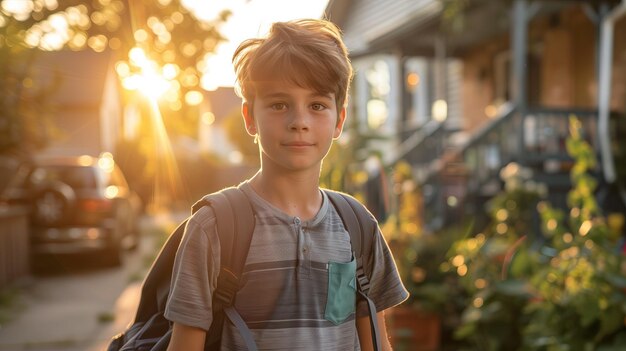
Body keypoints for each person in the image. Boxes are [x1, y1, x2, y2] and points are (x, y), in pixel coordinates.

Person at [165, 19, 409, 351]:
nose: (299, 122)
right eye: (279, 104)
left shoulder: (358, 227)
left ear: (339, 120)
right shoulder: (213, 229)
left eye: (317, 105)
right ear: (250, 117)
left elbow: (376, 345)